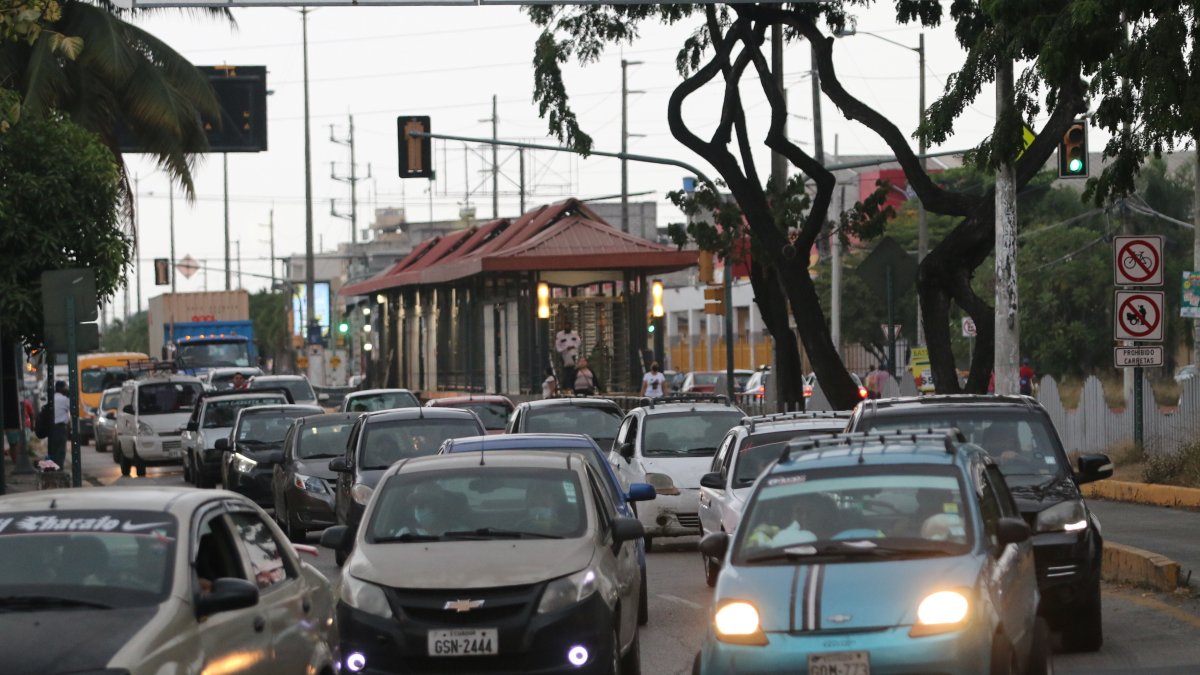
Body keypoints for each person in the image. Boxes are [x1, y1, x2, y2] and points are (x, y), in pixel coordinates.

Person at [47, 381, 70, 467]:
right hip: (60, 428)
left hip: (52, 428)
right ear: (62, 389)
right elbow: (73, 408)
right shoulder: (64, 399)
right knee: (61, 450)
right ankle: (59, 468)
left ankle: (53, 467)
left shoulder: (51, 398)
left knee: (53, 449)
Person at [556, 320, 581, 393]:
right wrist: (564, 349)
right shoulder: (560, 335)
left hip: (572, 354)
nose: (567, 327)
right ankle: (565, 386)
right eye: (566, 325)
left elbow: (578, 341)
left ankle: (570, 386)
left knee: (572, 371)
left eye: (568, 325)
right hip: (564, 355)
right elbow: (557, 345)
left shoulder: (574, 333)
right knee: (565, 371)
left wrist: (573, 346)